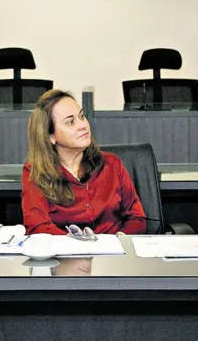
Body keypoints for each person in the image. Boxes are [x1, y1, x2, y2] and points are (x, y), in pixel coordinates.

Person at [22, 89, 147, 235]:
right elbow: (38, 227)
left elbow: (137, 217)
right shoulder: (35, 172)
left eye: (82, 116)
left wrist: (118, 241)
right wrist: (79, 246)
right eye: (70, 122)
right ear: (50, 136)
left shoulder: (112, 164)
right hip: (65, 255)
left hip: (114, 253)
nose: (83, 125)